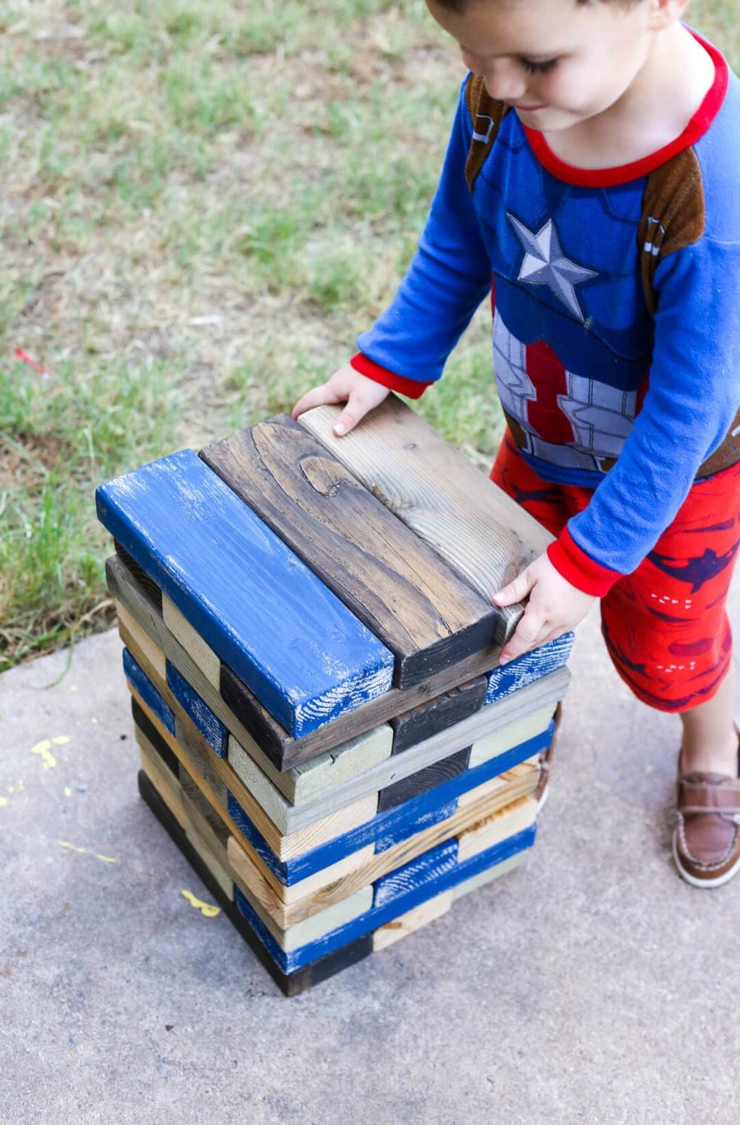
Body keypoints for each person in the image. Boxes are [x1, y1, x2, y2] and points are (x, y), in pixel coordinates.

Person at [292, 0, 740, 887]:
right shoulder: (505, 99)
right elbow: (460, 235)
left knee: (671, 648)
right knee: (508, 621)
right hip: (541, 439)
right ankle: (522, 722)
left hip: (674, 486)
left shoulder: (709, 187)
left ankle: (713, 743)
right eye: (469, 49)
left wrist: (592, 559)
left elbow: (688, 411)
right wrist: (392, 357)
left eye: (533, 62)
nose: (494, 83)